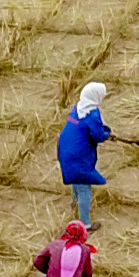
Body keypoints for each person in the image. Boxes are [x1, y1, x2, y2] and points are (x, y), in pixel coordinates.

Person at [58, 83, 113, 226]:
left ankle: (74, 204)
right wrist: (108, 133)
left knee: (76, 180)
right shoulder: (92, 114)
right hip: (78, 156)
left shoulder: (79, 108)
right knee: (84, 188)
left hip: (65, 150)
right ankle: (85, 224)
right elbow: (98, 135)